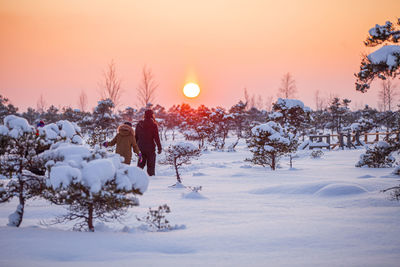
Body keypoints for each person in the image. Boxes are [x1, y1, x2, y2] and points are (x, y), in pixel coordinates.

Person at [135, 109, 162, 176]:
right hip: (150, 149)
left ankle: (136, 177)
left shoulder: (139, 124)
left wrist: (135, 147)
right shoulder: (153, 125)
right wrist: (159, 147)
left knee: (140, 165)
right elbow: (156, 138)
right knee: (151, 166)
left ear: (144, 115)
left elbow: (136, 137)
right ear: (152, 115)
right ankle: (152, 179)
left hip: (141, 148)